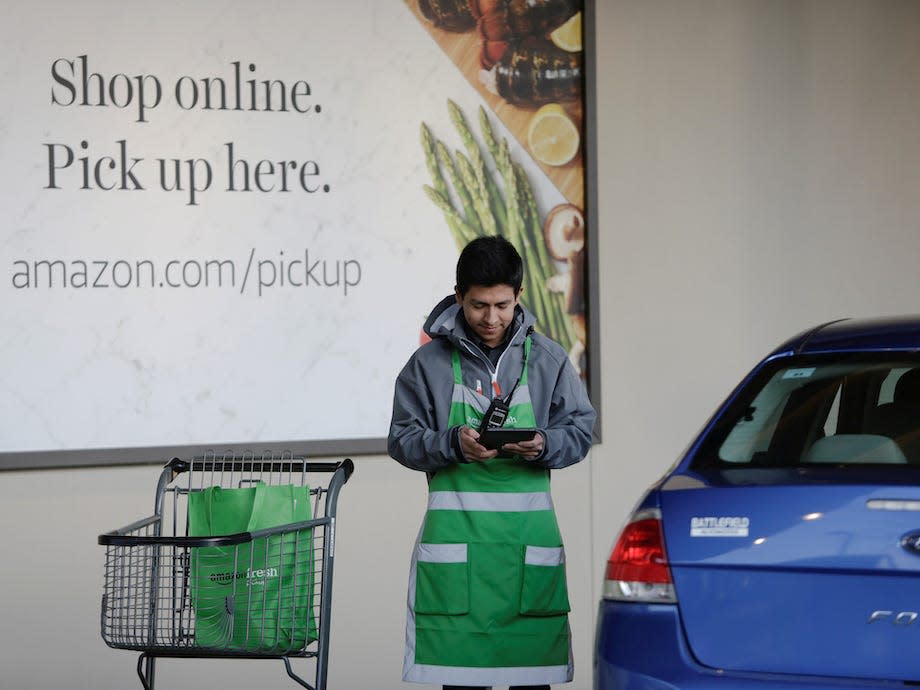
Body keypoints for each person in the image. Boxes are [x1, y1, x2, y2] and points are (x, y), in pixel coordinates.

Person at [388, 236, 597, 690]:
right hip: (457, 559)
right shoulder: (427, 365)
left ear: (519, 297)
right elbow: (401, 440)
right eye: (479, 305)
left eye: (502, 305)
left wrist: (543, 443)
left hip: (526, 559)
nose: (491, 318)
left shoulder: (549, 360)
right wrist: (451, 443)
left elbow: (581, 431)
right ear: (459, 295)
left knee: (531, 680)